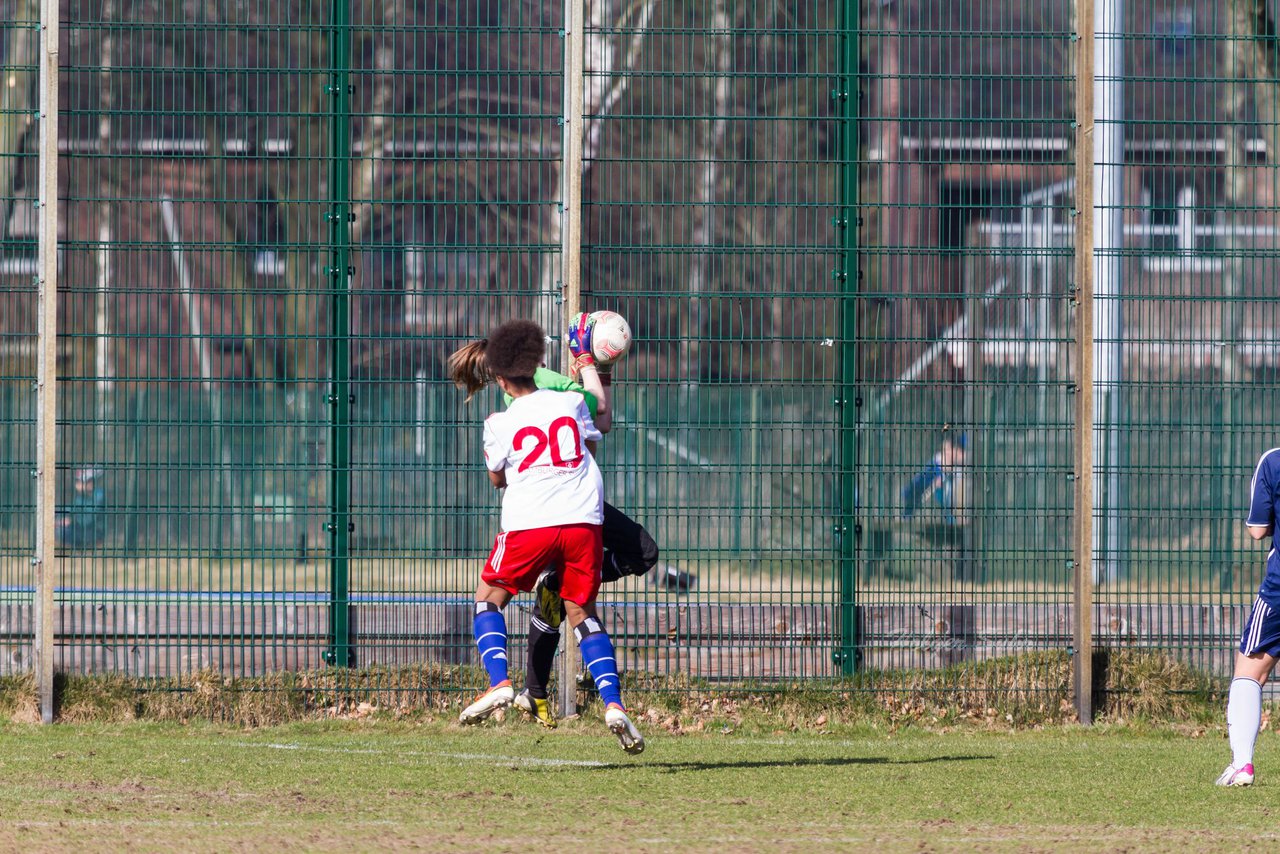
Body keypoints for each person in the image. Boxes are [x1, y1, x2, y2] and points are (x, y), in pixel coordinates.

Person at [449, 312, 684, 729]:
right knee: (583, 614)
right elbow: (599, 420)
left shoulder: (499, 422)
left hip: (531, 520)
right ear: (540, 360)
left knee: (488, 599)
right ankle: (613, 704)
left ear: (500, 378)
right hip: (580, 518)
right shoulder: (570, 400)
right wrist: (591, 368)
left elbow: (497, 479)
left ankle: (500, 681)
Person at [1217, 446, 1280, 786]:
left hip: (1278, 591)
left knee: (1249, 671)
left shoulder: (1273, 461)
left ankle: (1243, 765)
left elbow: (1257, 529)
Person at [901, 429, 974, 582]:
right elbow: (911, 493)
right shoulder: (933, 469)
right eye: (961, 451)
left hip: (951, 523)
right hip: (927, 519)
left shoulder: (959, 472)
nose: (963, 456)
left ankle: (955, 577)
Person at [56, 467, 107, 548]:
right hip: (80, 529)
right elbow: (73, 508)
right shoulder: (80, 496)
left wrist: (71, 519)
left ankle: (88, 545)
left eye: (82, 482)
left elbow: (88, 518)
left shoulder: (99, 495)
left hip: (93, 531)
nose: (78, 485)